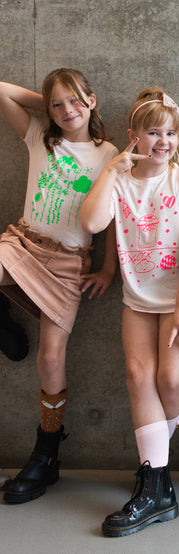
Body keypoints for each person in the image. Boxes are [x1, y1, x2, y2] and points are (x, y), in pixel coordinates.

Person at [80, 87, 179, 536]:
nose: (163, 141)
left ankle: (154, 474)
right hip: (137, 297)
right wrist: (111, 170)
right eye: (153, 132)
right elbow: (93, 224)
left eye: (170, 133)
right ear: (133, 135)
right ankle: (156, 487)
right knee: (139, 377)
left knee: (170, 380)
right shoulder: (120, 180)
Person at [0, 69, 118, 503]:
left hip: (69, 264)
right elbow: (2, 92)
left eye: (76, 101)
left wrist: (107, 270)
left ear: (93, 100)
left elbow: (116, 221)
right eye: (57, 104)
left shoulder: (110, 154)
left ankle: (46, 454)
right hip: (23, 244)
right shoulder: (40, 137)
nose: (68, 111)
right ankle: (4, 322)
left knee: (50, 359)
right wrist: (48, 101)